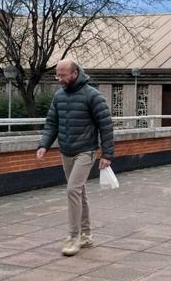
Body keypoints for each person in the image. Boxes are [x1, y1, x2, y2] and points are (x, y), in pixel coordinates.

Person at [35, 59, 115, 256]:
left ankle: (73, 237)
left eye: (62, 75)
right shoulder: (59, 96)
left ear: (74, 74)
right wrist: (44, 145)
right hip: (66, 151)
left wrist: (107, 154)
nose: (59, 79)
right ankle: (86, 235)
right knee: (79, 193)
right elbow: (52, 122)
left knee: (72, 190)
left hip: (85, 151)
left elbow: (106, 125)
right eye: (57, 75)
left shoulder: (92, 95)